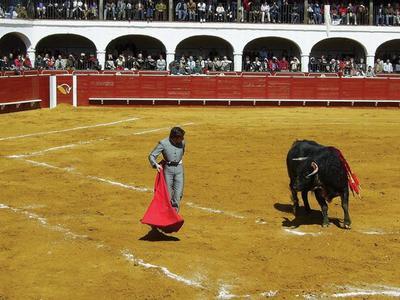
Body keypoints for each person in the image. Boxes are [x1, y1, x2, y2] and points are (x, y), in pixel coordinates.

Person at [148, 127, 186, 212]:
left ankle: (174, 215)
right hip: (167, 171)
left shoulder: (182, 142)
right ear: (174, 137)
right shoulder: (163, 143)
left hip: (179, 170)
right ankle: (166, 215)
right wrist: (155, 164)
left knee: (178, 194)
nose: (183, 139)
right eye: (181, 137)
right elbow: (152, 155)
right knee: (167, 195)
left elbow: (182, 153)